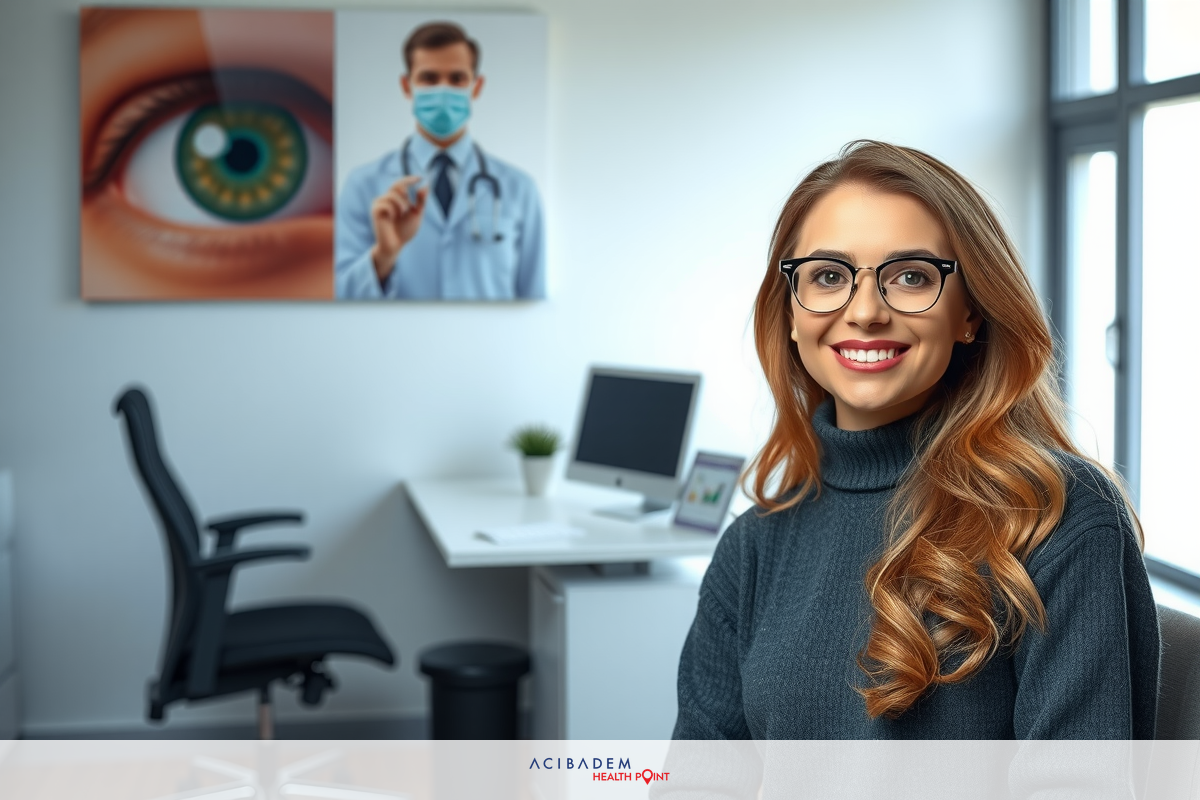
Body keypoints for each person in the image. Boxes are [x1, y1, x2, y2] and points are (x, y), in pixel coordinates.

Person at [672, 140, 1159, 739]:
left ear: (970, 314)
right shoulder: (753, 548)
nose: (866, 311)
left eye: (910, 276)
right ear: (791, 314)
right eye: (828, 276)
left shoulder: (1057, 517)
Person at [335, 21, 545, 300]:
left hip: (489, 344)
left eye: (457, 79)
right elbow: (340, 301)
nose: (443, 90)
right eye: (429, 79)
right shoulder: (363, 184)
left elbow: (535, 302)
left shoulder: (520, 188)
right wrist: (383, 257)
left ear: (477, 86)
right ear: (406, 86)